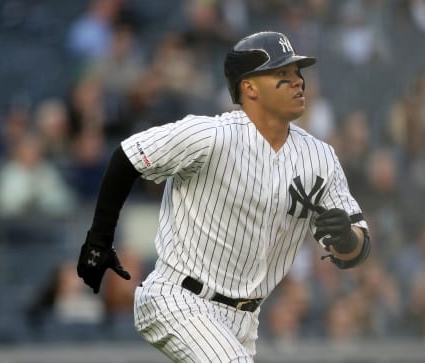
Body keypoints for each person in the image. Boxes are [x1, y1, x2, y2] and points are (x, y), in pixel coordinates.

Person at [77, 31, 371, 362]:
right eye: (282, 75)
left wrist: (346, 238)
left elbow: (356, 249)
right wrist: (98, 240)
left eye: (298, 73)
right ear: (249, 88)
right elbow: (127, 156)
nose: (298, 82)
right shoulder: (211, 136)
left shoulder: (320, 158)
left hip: (244, 320)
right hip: (179, 299)